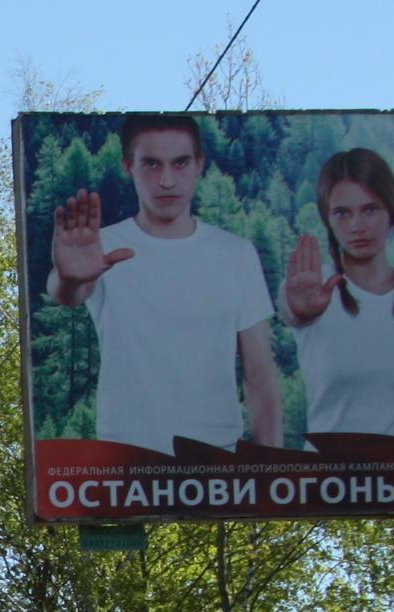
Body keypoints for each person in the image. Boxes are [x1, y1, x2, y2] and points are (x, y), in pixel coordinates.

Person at [44, 113, 282, 449]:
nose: (167, 180)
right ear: (129, 166)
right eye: (152, 164)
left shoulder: (236, 254)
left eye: (181, 163)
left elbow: (260, 377)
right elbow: (66, 291)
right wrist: (68, 278)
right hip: (126, 470)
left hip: (217, 468)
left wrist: (269, 480)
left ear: (199, 163)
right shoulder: (103, 247)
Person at [281, 146, 394, 448]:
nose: (357, 226)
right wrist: (300, 311)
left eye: (370, 209)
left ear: (391, 212)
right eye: (342, 213)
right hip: (330, 488)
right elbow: (292, 312)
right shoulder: (310, 288)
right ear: (328, 219)